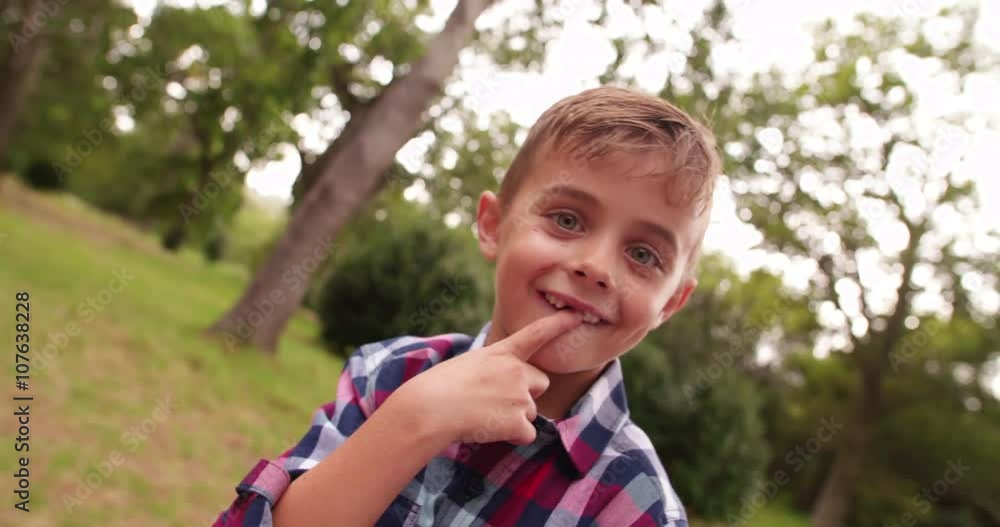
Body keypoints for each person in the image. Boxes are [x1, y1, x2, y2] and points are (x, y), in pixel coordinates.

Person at [213, 86, 720, 527]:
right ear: (494, 226)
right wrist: (415, 419)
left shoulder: (636, 505)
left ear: (669, 304)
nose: (596, 266)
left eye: (643, 255)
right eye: (567, 220)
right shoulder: (390, 373)